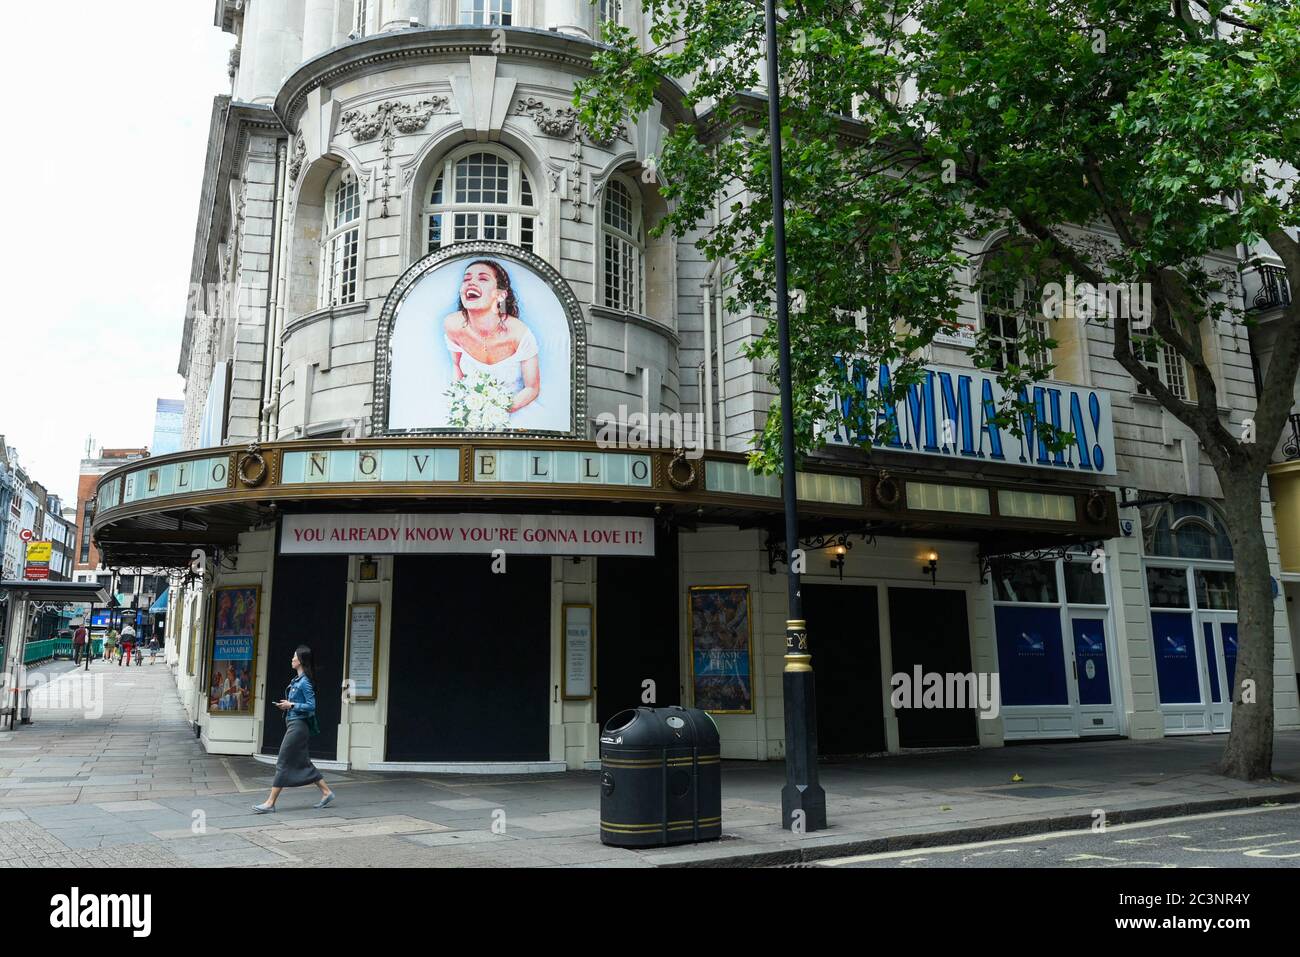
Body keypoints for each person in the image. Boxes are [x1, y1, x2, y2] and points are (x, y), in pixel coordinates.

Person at [443, 260, 541, 417]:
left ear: (501, 295)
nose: (471, 283)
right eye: (466, 279)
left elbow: (532, 388)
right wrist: (464, 408)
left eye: (482, 279)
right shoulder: (452, 325)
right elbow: (457, 367)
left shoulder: (519, 333)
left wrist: (494, 413)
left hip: (517, 414)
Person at [252, 646, 335, 813]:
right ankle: (327, 792)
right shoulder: (296, 680)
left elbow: (311, 707)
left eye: (294, 657)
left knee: (282, 761)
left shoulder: (304, 682)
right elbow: (298, 704)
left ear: (301, 661)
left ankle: (270, 803)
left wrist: (292, 705)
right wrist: (287, 706)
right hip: (293, 723)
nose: (291, 659)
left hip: (298, 726)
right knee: (303, 761)